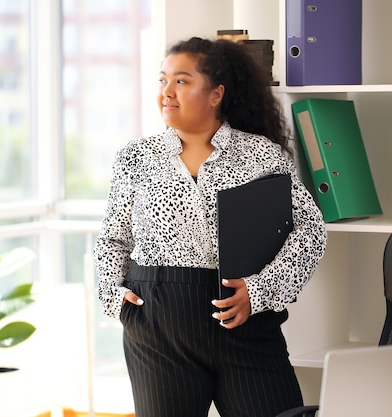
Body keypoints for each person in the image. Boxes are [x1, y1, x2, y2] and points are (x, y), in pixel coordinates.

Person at [93, 36, 327, 417]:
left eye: (182, 81)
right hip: (157, 327)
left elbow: (310, 231)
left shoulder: (260, 154)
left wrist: (261, 290)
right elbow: (113, 238)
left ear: (216, 94)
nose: (167, 91)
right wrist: (111, 295)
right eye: (162, 80)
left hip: (245, 321)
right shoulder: (136, 157)